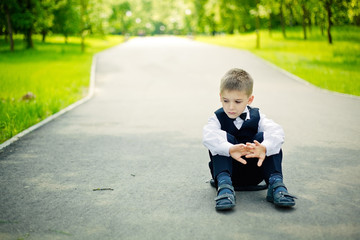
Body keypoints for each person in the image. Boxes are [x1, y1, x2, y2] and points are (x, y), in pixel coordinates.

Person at [202, 68, 296, 211]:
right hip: (228, 173)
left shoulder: (257, 117)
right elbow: (208, 136)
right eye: (226, 101)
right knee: (218, 138)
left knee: (266, 137)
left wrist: (264, 147)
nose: (231, 107)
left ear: (249, 99)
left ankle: (276, 184)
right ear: (220, 97)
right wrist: (229, 149)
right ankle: (225, 188)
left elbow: (277, 132)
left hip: (255, 172)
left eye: (238, 101)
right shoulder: (217, 118)